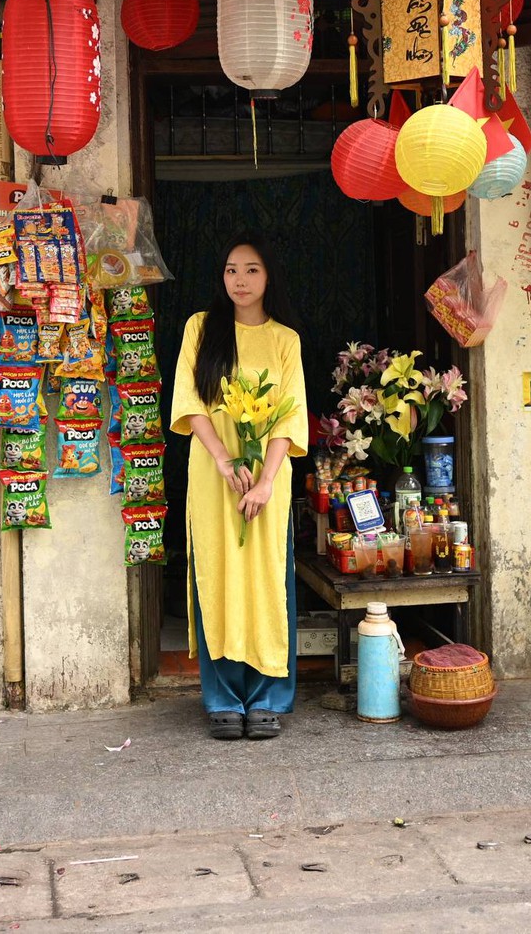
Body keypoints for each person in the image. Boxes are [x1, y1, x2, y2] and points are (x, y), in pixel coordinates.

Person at [169, 235, 308, 741]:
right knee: (218, 573)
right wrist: (226, 461)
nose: (240, 281)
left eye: (251, 270)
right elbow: (189, 401)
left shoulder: (284, 340)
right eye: (231, 270)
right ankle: (223, 697)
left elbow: (291, 413)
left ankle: (268, 696)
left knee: (266, 577)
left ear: (269, 276)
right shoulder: (201, 329)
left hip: (268, 478)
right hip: (213, 473)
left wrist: (267, 481)